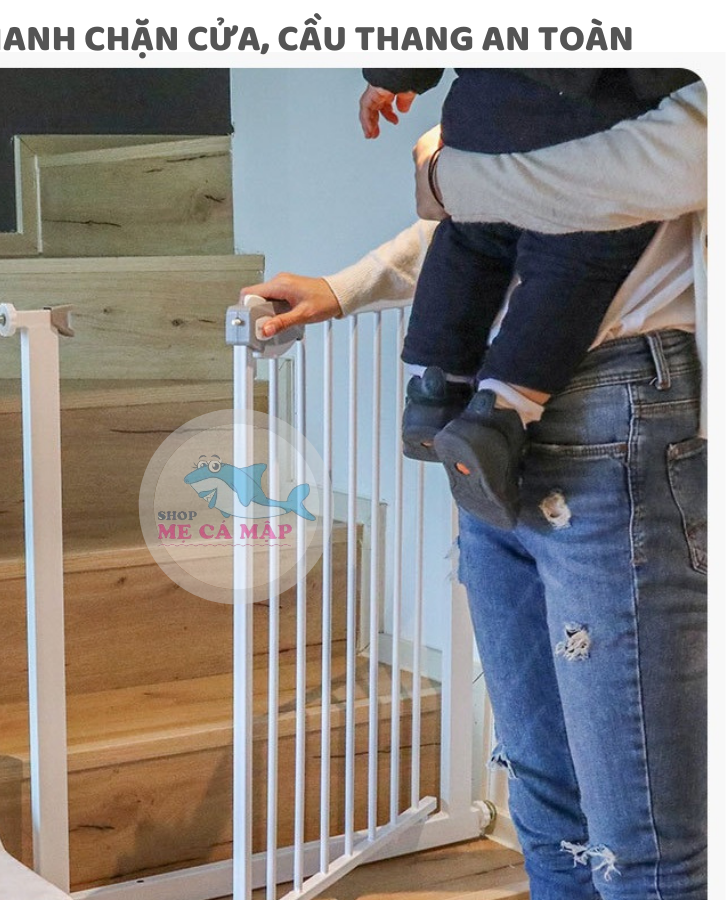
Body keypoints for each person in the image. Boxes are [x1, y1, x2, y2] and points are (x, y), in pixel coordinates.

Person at [242, 78, 707, 900]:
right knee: (545, 790)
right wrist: (351, 285)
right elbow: (508, 207)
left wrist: (450, 177)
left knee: (638, 832)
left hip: (615, 398)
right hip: (494, 407)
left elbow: (645, 170)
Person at [355, 68, 698, 530]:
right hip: (579, 121)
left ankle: (432, 387)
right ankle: (499, 414)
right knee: (574, 258)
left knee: (469, 240)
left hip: (477, 118)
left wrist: (391, 77)